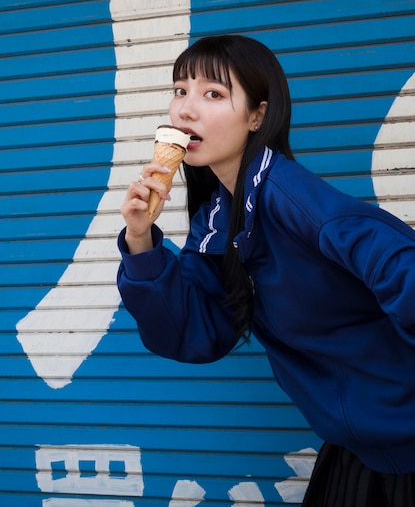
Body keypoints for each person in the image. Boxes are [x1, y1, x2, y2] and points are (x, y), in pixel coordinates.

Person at [117, 34, 415, 506]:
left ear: (258, 115)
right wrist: (139, 240)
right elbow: (194, 332)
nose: (186, 110)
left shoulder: (296, 202)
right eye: (180, 90)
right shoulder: (216, 220)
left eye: (213, 94)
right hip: (355, 453)